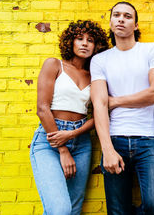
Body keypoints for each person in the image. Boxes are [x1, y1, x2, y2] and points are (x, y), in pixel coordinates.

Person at [90, 1, 154, 215]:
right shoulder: (100, 60)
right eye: (116, 15)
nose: (121, 19)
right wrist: (107, 150)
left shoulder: (151, 50)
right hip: (115, 139)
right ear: (110, 23)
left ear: (135, 25)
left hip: (148, 140)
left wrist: (116, 101)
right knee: (118, 211)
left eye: (127, 16)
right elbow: (99, 104)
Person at [30, 20, 109, 215]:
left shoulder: (95, 76)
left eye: (90, 40)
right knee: (60, 210)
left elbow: (100, 113)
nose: (84, 43)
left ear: (96, 46)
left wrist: (73, 134)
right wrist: (63, 149)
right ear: (70, 42)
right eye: (79, 38)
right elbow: (42, 108)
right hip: (50, 139)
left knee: (73, 209)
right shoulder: (55, 65)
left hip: (81, 142)